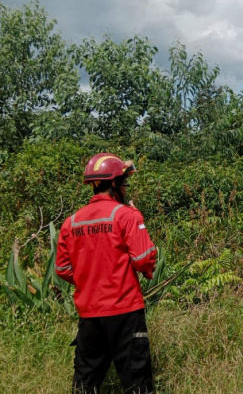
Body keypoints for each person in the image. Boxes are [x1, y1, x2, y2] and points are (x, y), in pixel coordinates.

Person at [56, 153, 157, 394]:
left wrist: (88, 279)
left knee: (85, 382)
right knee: (136, 379)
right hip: (124, 310)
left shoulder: (71, 222)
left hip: (89, 314)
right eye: (124, 182)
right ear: (113, 183)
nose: (125, 187)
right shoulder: (127, 215)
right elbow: (143, 258)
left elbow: (62, 268)